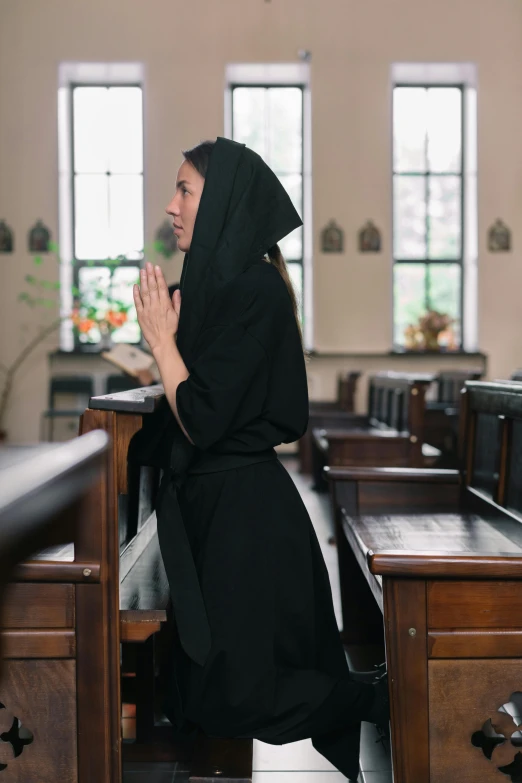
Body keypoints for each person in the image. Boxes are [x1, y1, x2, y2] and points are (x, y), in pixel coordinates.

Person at [130, 137, 389, 781]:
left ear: (222, 204)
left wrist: (164, 342)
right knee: (203, 693)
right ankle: (368, 693)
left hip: (244, 517)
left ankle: (377, 697)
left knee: (237, 697)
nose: (171, 205)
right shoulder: (217, 289)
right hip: (217, 510)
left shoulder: (254, 292)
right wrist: (167, 351)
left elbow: (206, 416)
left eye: (185, 190)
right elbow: (193, 404)